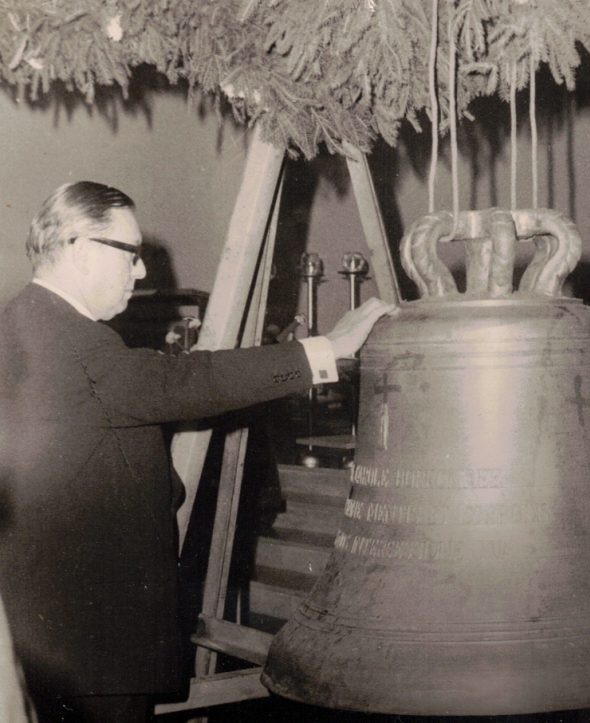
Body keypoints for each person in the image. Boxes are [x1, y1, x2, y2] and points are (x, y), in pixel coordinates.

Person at [0, 181, 395, 722]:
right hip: (94, 642)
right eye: (131, 253)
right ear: (80, 247)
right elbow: (186, 380)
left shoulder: (19, 323)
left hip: (47, 635)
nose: (140, 272)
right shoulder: (71, 341)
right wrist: (327, 350)